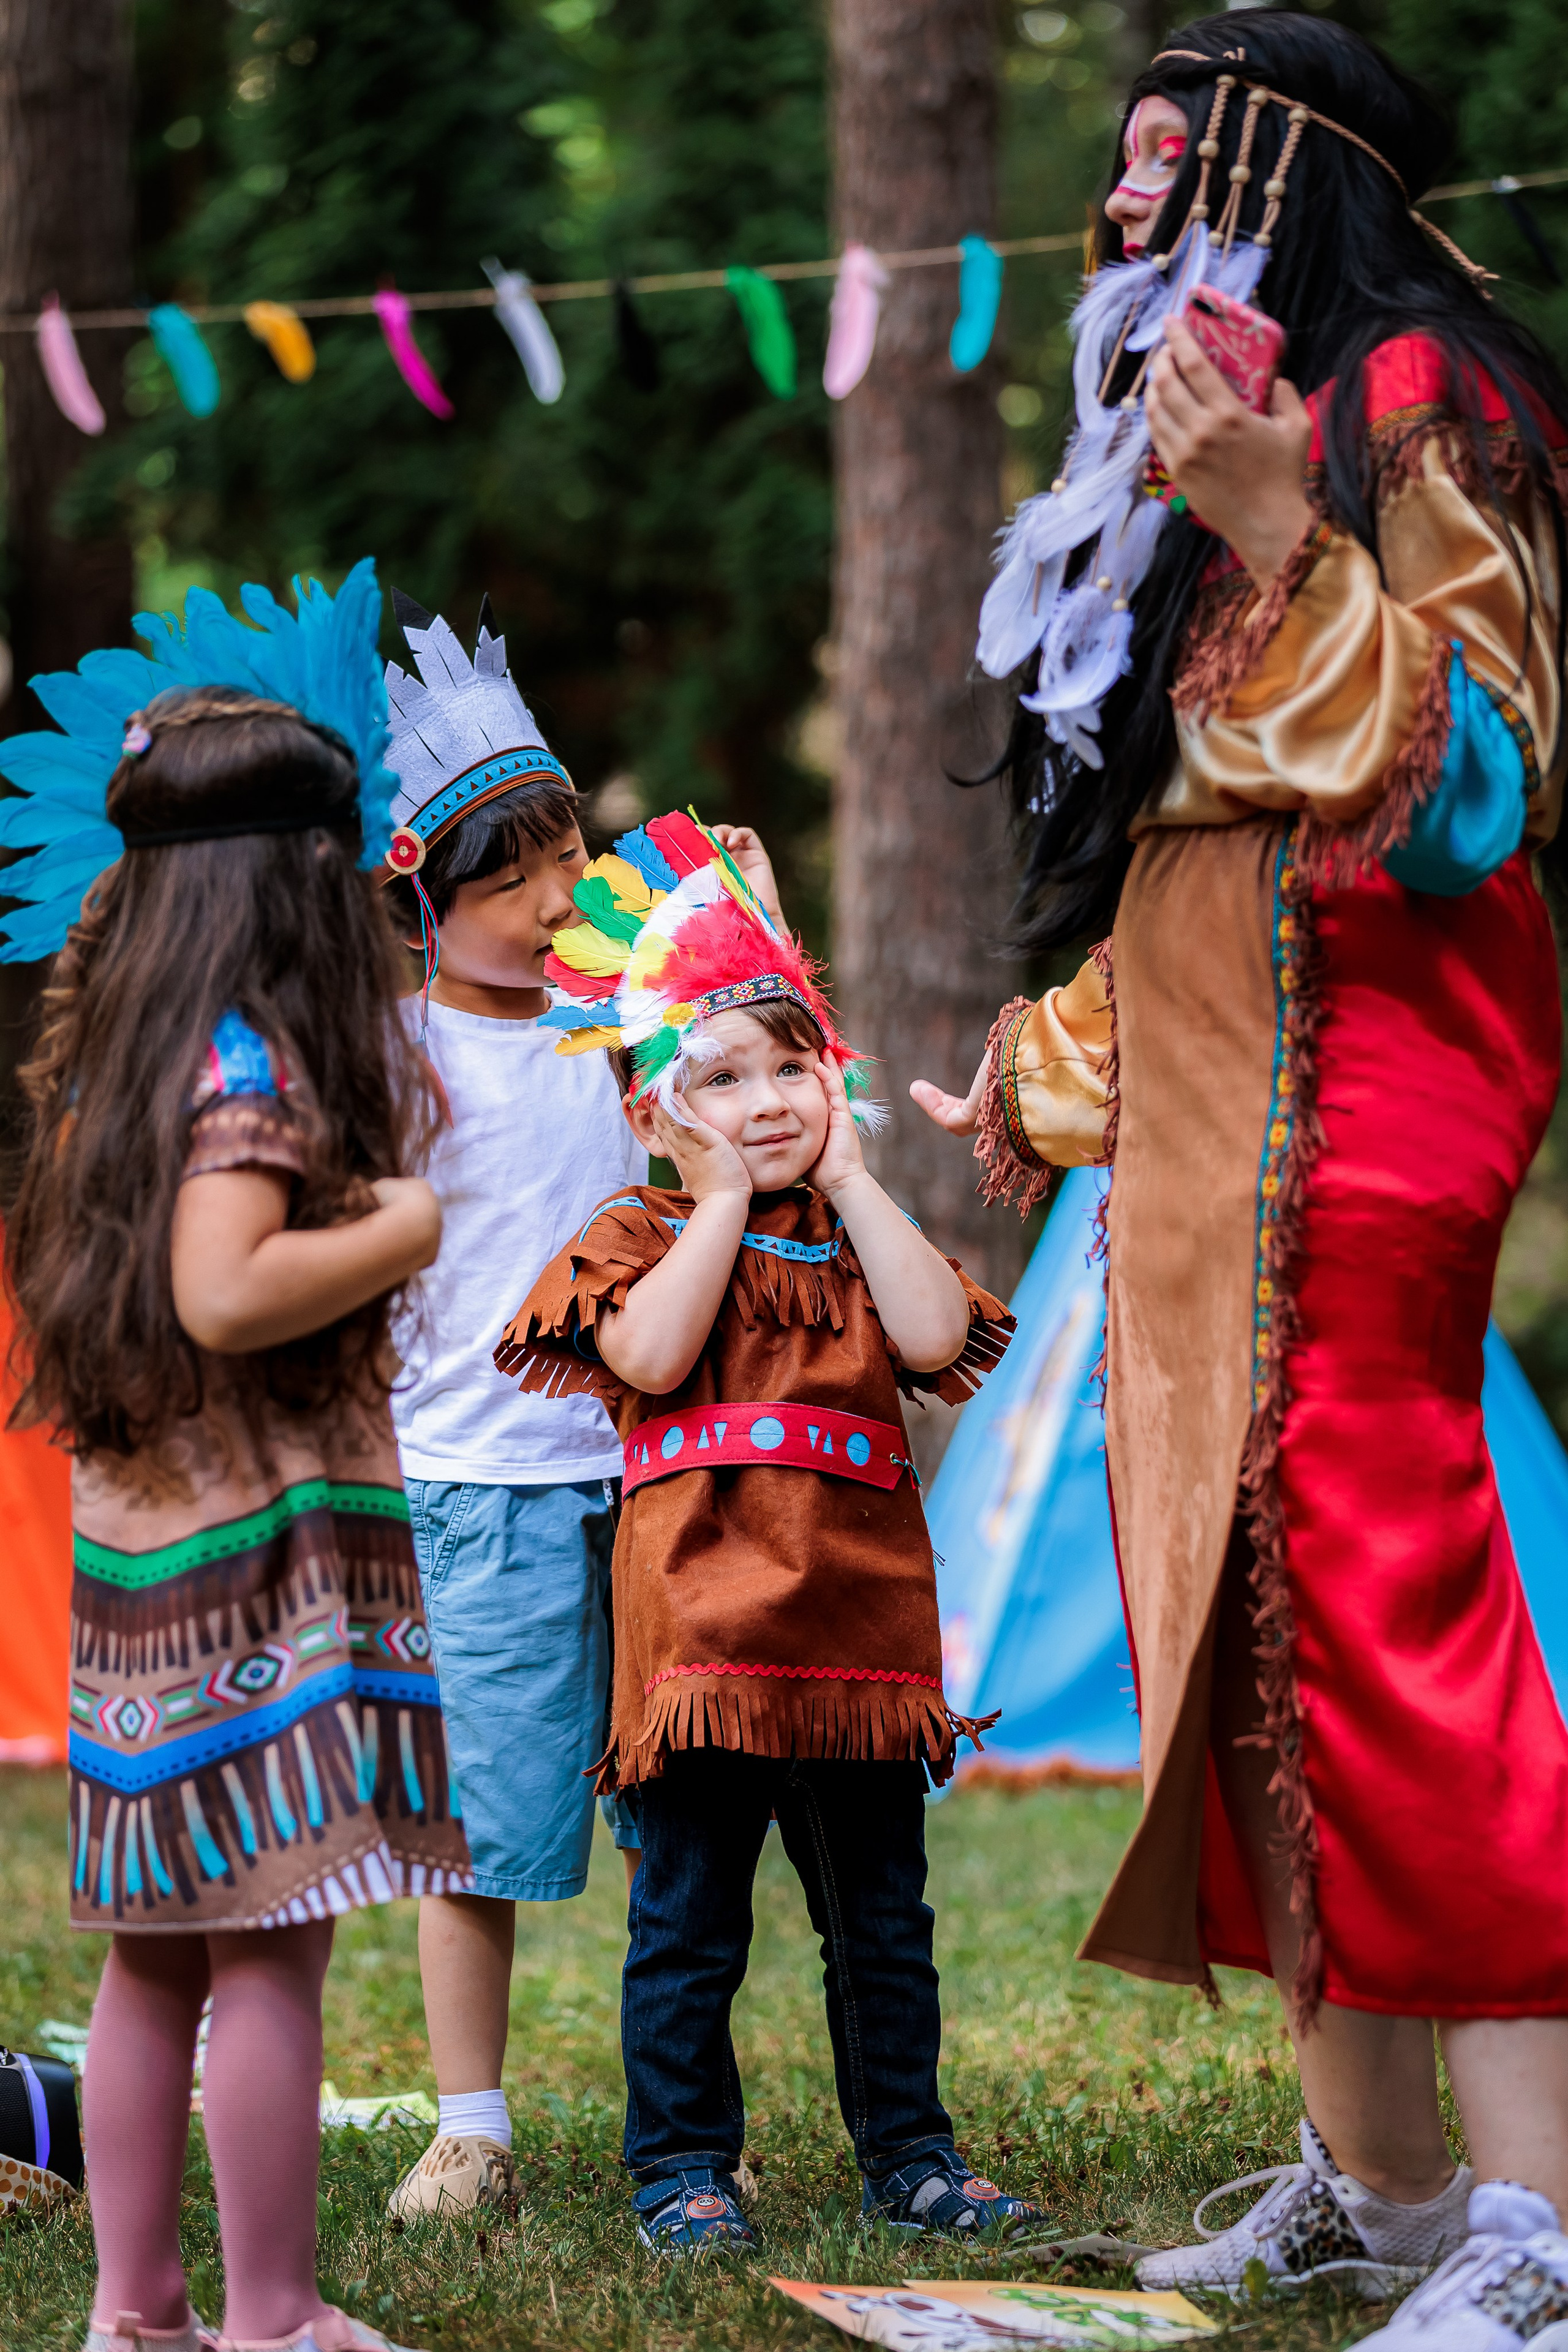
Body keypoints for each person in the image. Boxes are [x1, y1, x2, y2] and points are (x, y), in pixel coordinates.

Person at [915, 13, 1568, 2342]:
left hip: (1373, 1107)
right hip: (1231, 1113)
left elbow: (1477, 785)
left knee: (1384, 1621)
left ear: (1291, 185)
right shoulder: (1196, 474)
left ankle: (1539, 2232)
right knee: (1249, 1633)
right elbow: (1213, 849)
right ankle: (1386, 2194)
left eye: (1168, 166)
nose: (1119, 211)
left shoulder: (1413, 397)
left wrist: (1292, 519)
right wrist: (1060, 1056)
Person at [1, 566, 466, 2352]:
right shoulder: (253, 1058)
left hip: (141, 1562)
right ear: (293, 886)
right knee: (269, 1945)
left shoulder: (126, 1055)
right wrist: (403, 1226)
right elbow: (227, 1285)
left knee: (153, 1958)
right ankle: (272, 2319)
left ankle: (140, 2317)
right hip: (254, 1564)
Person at [492, 812, 1038, 2255]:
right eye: (717, 1079)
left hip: (856, 1647)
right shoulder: (633, 1236)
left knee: (879, 1925)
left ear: (830, 1073)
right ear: (651, 1115)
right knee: (686, 1927)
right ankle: (680, 2166)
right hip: (699, 1647)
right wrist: (720, 1198)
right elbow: (656, 1362)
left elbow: (932, 1336)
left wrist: (855, 1181)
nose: (765, 1098)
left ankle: (910, 2156)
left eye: (788, 1064)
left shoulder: (861, 1237)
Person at [374, 592, 784, 2218]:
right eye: (515, 877)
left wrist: (740, 916)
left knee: (680, 1826)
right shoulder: (392, 1056)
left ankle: (685, 2118)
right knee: (482, 1822)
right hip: (478, 1486)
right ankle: (471, 2121)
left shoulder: (623, 1028)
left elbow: (760, 1077)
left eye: (566, 858)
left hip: (661, 1469)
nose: (558, 896)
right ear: (425, 897)